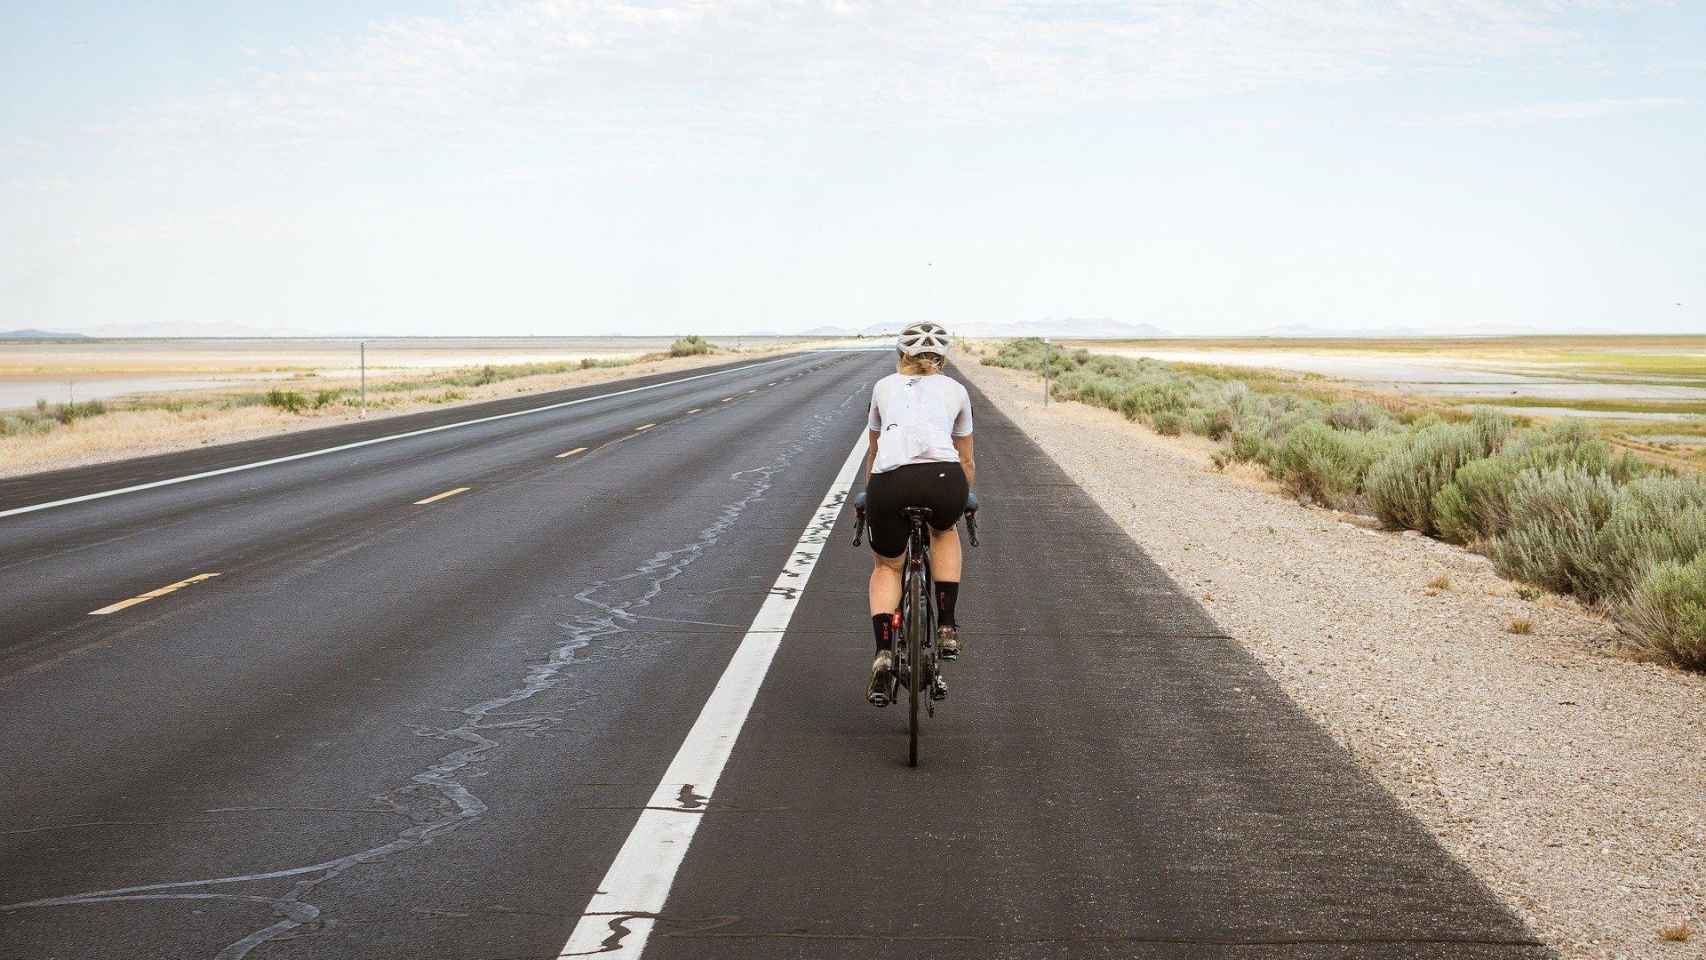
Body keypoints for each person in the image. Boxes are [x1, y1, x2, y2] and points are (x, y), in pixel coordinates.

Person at [861, 321, 975, 706]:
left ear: (901, 355)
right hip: (944, 478)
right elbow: (967, 458)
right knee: (944, 531)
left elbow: (874, 452)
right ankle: (945, 627)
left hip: (889, 483)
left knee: (887, 567)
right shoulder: (957, 391)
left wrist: (869, 495)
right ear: (942, 359)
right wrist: (965, 498)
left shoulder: (883, 387)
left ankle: (883, 653)